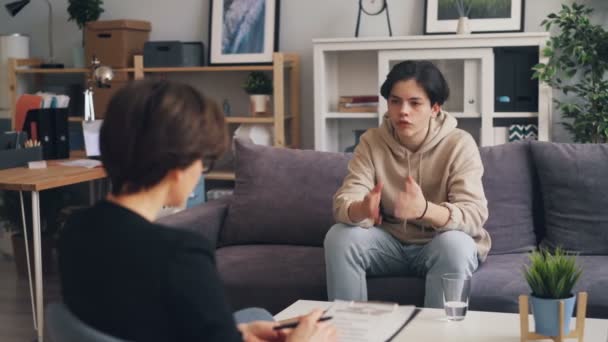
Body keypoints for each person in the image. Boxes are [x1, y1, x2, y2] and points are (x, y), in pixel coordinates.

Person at [58, 80, 336, 342]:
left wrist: (238, 332)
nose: (200, 172)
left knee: (254, 317)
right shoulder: (179, 254)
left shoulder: (74, 229)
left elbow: (136, 323)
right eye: (203, 161)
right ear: (176, 168)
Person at [324, 60, 490, 308]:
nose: (403, 111)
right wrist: (361, 209)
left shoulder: (460, 144)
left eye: (415, 103)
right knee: (339, 237)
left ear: (435, 108)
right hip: (388, 244)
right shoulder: (371, 142)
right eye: (395, 101)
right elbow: (346, 199)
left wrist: (424, 210)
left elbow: (475, 214)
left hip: (438, 242)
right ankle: (349, 332)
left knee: (457, 245)